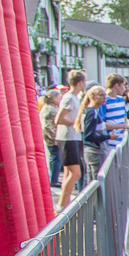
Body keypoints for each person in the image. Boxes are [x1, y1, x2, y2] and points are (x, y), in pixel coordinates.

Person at [54, 69, 86, 212]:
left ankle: (64, 204)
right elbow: (59, 119)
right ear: (80, 82)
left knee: (69, 173)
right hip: (67, 138)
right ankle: (61, 205)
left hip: (71, 137)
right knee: (75, 173)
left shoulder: (73, 97)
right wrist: (76, 122)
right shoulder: (68, 98)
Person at [77, 85, 110, 181]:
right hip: (94, 151)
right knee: (96, 180)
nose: (105, 97)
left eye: (105, 95)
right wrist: (107, 136)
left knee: (92, 179)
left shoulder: (91, 111)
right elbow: (89, 135)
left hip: (92, 150)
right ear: (92, 97)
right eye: (101, 95)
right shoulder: (92, 112)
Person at [103, 73, 129, 151]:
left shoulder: (121, 99)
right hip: (109, 143)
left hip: (121, 142)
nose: (125, 88)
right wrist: (123, 126)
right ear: (117, 85)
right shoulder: (104, 100)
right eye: (123, 85)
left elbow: (124, 118)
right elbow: (102, 125)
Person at [39, 89, 62, 188]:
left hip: (54, 137)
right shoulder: (49, 109)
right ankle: (53, 180)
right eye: (58, 97)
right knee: (55, 159)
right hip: (52, 139)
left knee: (56, 158)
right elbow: (47, 126)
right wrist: (54, 138)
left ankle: (54, 179)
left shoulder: (51, 108)